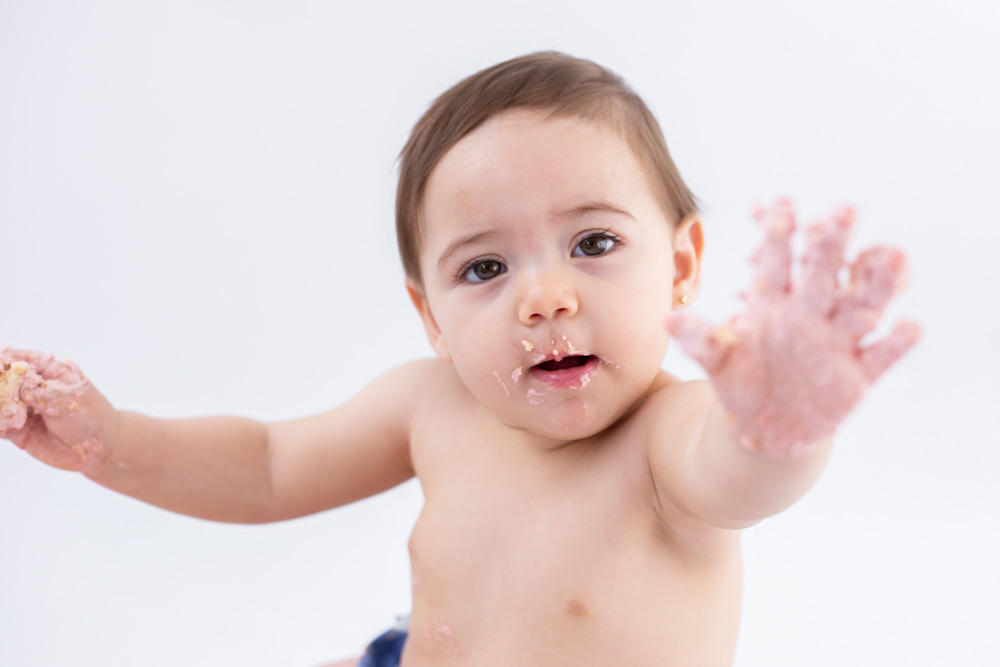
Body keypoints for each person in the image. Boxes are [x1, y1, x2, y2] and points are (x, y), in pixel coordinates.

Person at [0, 52, 919, 667]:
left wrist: (779, 423)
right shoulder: (433, 405)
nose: (545, 296)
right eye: (485, 266)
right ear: (429, 314)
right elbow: (269, 466)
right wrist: (106, 438)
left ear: (679, 266)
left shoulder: (669, 438)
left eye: (593, 243)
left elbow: (745, 475)